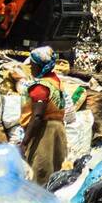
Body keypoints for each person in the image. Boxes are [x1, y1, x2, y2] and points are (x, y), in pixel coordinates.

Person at [21, 45, 69, 183]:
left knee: (40, 171)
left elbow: (37, 116)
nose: (30, 67)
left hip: (45, 132)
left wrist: (24, 143)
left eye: (33, 65)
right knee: (56, 170)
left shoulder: (40, 87)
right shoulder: (55, 81)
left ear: (41, 66)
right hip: (58, 130)